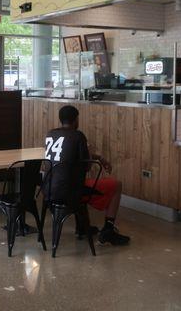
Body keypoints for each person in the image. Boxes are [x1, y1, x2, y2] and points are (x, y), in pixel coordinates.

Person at [44, 105, 130, 246]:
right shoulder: (78, 135)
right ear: (76, 120)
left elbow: (70, 156)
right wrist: (90, 152)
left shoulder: (51, 134)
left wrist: (98, 157)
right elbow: (87, 166)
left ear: (61, 119)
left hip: (49, 190)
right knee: (116, 185)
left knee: (75, 180)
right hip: (70, 193)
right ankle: (108, 230)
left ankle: (83, 227)